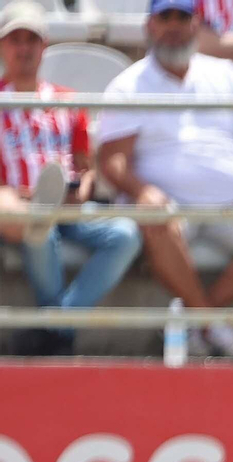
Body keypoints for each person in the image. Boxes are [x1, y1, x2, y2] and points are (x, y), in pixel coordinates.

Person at [97, 0, 233, 359]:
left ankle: (199, 321)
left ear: (197, 25)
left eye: (183, 17)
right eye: (166, 18)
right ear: (150, 26)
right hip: (168, 205)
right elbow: (112, 161)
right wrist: (142, 190)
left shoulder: (229, 74)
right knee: (154, 216)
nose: (174, 26)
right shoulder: (128, 84)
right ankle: (216, 327)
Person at [0, 1, 142, 357]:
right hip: (18, 205)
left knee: (126, 233)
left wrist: (87, 183)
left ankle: (53, 328)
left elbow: (85, 163)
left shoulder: (67, 100)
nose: (23, 49)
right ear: (3, 47)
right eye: (15, 40)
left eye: (30, 40)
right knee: (38, 227)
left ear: (43, 47)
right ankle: (58, 333)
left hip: (69, 204)